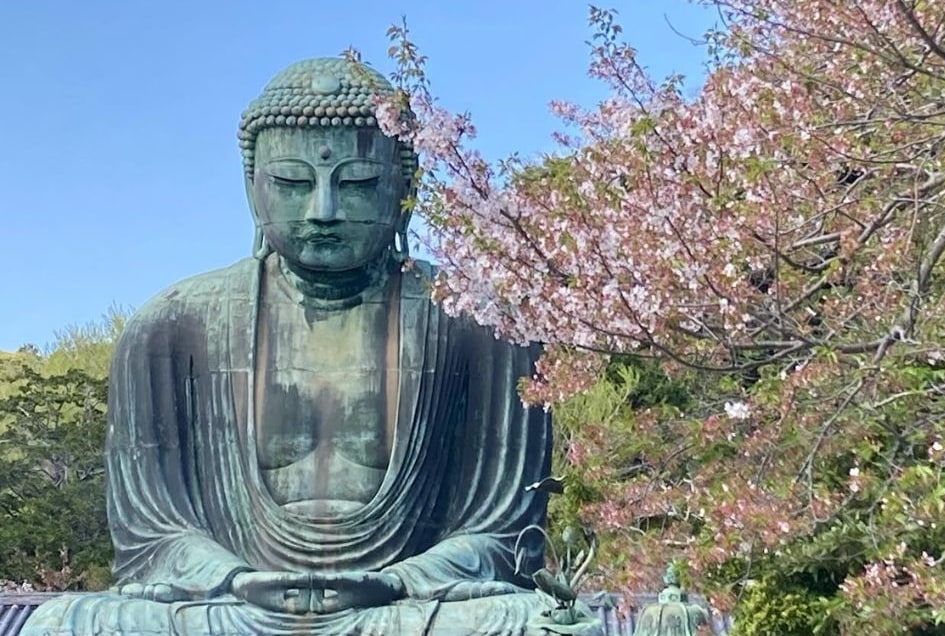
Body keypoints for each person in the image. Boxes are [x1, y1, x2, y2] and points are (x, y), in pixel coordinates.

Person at [21, 56, 595, 636]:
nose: (324, 210)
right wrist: (235, 579)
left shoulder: (478, 322)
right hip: (236, 607)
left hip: (405, 608)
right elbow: (152, 539)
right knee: (62, 624)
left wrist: (399, 580)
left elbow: (504, 535)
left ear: (407, 188)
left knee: (540, 623)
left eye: (358, 184)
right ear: (253, 188)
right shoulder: (171, 327)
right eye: (294, 184)